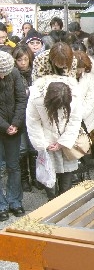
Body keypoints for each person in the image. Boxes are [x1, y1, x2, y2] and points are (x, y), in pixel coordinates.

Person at [26, 77, 82, 200]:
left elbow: (75, 120)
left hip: (66, 141)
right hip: (47, 139)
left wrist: (63, 142)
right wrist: (44, 144)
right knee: (48, 175)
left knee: (67, 174)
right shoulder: (36, 97)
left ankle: (64, 202)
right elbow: (32, 122)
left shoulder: (74, 96)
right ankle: (52, 202)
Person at [0, 51, 27, 220]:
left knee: (13, 166)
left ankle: (15, 201)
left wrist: (15, 124)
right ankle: (1, 205)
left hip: (14, 128)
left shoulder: (15, 73)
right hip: (4, 126)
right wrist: (5, 126)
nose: (3, 76)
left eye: (5, 73)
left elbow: (21, 99)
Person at [12, 45, 40, 192]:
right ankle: (25, 179)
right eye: (19, 60)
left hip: (34, 115)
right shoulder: (13, 74)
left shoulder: (35, 73)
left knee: (34, 148)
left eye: (25, 59)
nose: (23, 63)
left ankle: (36, 177)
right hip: (20, 116)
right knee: (22, 149)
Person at [74, 51, 94, 178]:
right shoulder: (67, 78)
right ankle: (77, 172)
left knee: (86, 144)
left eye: (81, 68)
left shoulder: (90, 77)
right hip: (71, 117)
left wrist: (81, 114)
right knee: (74, 146)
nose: (79, 71)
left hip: (86, 116)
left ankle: (86, 172)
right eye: (77, 69)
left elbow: (91, 98)